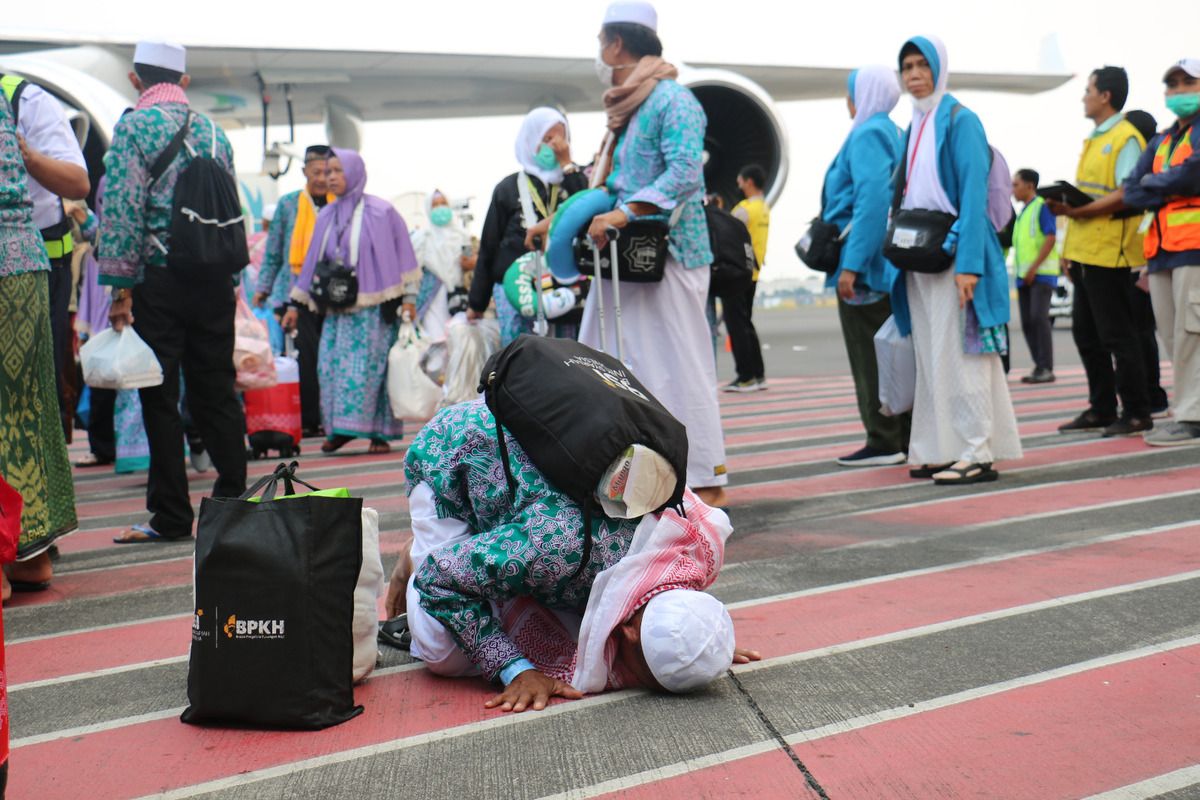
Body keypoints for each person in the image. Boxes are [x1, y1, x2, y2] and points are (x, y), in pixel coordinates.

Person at [384, 400, 759, 711]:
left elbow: (681, 618)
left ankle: (489, 548)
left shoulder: (699, 550)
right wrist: (514, 669)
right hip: (455, 452)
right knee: (443, 650)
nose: (620, 677)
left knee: (564, 617)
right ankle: (419, 552)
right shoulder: (562, 548)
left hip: (539, 486)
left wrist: (705, 641)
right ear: (626, 633)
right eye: (634, 674)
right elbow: (439, 578)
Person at [573, 1, 728, 507]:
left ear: (617, 44)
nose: (599, 53)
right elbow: (613, 181)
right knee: (608, 362)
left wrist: (624, 213)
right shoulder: (626, 109)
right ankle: (631, 475)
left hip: (672, 253)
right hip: (625, 260)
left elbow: (685, 173)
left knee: (679, 366)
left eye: (601, 42)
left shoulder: (673, 100)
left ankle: (706, 477)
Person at [99, 40, 248, 543]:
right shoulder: (213, 131)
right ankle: (234, 504)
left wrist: (119, 288)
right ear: (182, 81)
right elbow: (230, 209)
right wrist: (232, 281)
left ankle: (170, 515)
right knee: (217, 391)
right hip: (212, 279)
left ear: (135, 80)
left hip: (158, 278)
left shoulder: (134, 128)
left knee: (158, 395)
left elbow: (121, 207)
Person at [892, 35, 1022, 485]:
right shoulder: (914, 126)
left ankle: (976, 450)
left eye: (921, 64)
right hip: (921, 259)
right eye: (906, 66)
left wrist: (969, 263)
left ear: (939, 69)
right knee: (931, 357)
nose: (913, 73)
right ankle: (936, 448)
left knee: (966, 356)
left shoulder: (961, 121)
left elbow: (972, 194)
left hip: (954, 257)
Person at [288, 148, 419, 455]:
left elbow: (404, 257)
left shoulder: (381, 212)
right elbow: (311, 263)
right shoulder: (327, 216)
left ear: (354, 173)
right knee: (330, 368)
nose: (330, 177)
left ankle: (379, 433)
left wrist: (409, 299)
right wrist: (295, 304)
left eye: (337, 171)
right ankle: (338, 429)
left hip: (374, 311)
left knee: (371, 370)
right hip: (337, 310)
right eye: (327, 171)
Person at [1047, 67, 1154, 437]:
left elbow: (1126, 193)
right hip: (1085, 250)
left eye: (1089, 90)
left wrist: (1077, 210)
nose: (1084, 96)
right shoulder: (1096, 137)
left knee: (1118, 336)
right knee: (1087, 336)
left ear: (1105, 96)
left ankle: (1138, 410)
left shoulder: (1125, 137)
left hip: (1111, 252)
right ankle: (1102, 408)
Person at [0, 85, 76, 596]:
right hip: (26, 263)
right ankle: (29, 556)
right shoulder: (11, 100)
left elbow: (79, 182)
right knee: (24, 409)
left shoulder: (25, 96)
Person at [823, 65, 911, 468]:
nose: (847, 99)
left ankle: (883, 437)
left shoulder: (867, 133)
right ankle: (903, 435)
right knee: (894, 352)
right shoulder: (893, 131)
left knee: (869, 356)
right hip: (886, 265)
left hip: (867, 269)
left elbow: (872, 204)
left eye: (851, 91)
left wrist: (852, 266)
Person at [1, 72, 90, 438]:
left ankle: (39, 485)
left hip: (38, 268)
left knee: (34, 389)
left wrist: (28, 157)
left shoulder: (23, 98)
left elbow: (77, 182)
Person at [1124, 59, 1200, 446]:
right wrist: (1165, 184)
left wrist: (1157, 183)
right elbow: (1131, 189)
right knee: (1173, 334)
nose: (1180, 90)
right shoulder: (1163, 140)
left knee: (1192, 333)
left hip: (1195, 248)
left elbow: (1193, 174)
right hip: (1160, 249)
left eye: (1189, 81)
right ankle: (1189, 408)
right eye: (1174, 84)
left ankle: (1193, 415)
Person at [468, 108, 587, 344]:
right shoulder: (508, 188)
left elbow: (587, 210)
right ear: (530, 140)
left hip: (563, 288)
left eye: (560, 138)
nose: (554, 146)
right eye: (547, 139)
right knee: (521, 358)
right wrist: (476, 303)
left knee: (567, 360)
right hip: (517, 291)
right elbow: (489, 248)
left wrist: (567, 164)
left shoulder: (573, 179)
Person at [255, 145, 331, 436]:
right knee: (307, 356)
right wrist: (263, 288)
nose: (323, 178)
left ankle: (332, 417)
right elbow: (274, 250)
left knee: (331, 357)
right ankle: (311, 418)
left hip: (336, 295)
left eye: (328, 172)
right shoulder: (288, 205)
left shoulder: (340, 203)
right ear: (305, 172)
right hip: (298, 295)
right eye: (317, 172)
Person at [718, 164, 769, 392]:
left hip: (736, 274)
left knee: (736, 325)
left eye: (739, 181)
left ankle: (745, 377)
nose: (737, 185)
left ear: (748, 181)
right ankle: (758, 375)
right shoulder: (763, 208)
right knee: (746, 323)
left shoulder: (744, 208)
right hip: (754, 273)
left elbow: (726, 232)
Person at [1010, 168, 1058, 383]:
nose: (1013, 189)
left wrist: (1034, 268)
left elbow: (1050, 238)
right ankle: (1039, 366)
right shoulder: (1023, 213)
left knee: (1039, 319)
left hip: (1040, 275)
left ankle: (1047, 367)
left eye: (1016, 184)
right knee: (1028, 322)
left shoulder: (1041, 207)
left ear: (1030, 186)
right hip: (1024, 276)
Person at [412, 189, 475, 341]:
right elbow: (413, 272)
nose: (440, 208)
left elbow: (468, 260)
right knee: (435, 341)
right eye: (435, 205)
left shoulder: (463, 235)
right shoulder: (422, 238)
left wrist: (470, 262)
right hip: (432, 296)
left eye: (443, 204)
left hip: (458, 295)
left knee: (458, 340)